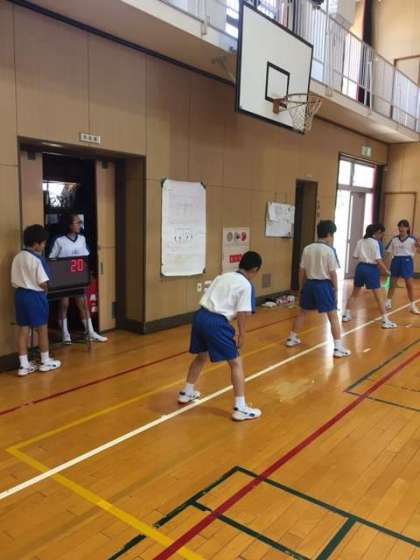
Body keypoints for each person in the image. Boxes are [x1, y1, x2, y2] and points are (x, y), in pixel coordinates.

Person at [177, 251, 262, 422]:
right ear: (254, 269)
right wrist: (242, 334)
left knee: (201, 356)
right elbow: (243, 312)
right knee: (236, 363)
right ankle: (240, 408)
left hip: (200, 316)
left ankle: (186, 392)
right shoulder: (246, 285)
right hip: (216, 322)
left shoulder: (223, 276)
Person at [286, 220, 351, 358]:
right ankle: (338, 348)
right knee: (333, 316)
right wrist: (336, 289)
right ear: (329, 234)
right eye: (332, 234)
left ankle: (292, 338)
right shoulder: (329, 250)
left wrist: (301, 287)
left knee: (302, 312)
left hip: (309, 284)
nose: (332, 237)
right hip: (323, 286)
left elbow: (301, 270)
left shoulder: (307, 248)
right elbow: (333, 273)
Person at [11, 225, 61, 376]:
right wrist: (45, 290)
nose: (44, 246)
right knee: (42, 329)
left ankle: (24, 365)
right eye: (43, 243)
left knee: (23, 330)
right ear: (36, 244)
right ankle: (45, 361)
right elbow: (43, 282)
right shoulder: (38, 259)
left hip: (20, 295)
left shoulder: (17, 257)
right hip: (35, 296)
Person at [49, 214, 107, 344]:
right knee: (64, 304)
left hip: (78, 277)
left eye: (80, 222)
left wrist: (88, 273)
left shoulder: (82, 239)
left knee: (83, 304)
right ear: (70, 225)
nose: (80, 225)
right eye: (77, 222)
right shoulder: (59, 241)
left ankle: (90, 332)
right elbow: (52, 259)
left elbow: (85, 258)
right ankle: (65, 334)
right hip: (64, 277)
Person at [341, 224, 396, 328]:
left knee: (354, 293)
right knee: (378, 296)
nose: (381, 236)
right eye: (381, 233)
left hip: (360, 268)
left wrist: (364, 255)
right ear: (377, 232)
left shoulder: (360, 241)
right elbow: (378, 260)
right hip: (371, 269)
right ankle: (385, 321)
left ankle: (346, 315)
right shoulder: (376, 243)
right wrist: (386, 270)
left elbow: (355, 256)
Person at [385, 219, 420, 315]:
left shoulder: (412, 239)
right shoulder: (394, 239)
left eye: (404, 226)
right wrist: (382, 265)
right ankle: (388, 302)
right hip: (396, 261)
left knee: (409, 285)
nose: (401, 228)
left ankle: (412, 305)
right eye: (400, 226)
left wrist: (419, 246)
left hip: (407, 261)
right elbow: (387, 252)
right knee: (392, 283)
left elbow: (418, 251)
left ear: (407, 228)